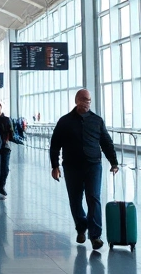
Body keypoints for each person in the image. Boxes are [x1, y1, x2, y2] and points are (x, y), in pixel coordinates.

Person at [49, 89, 119, 249]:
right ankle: (81, 228)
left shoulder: (97, 121)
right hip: (71, 166)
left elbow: (106, 143)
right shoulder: (65, 121)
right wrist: (55, 166)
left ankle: (95, 236)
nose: (87, 102)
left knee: (93, 198)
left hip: (93, 165)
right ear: (76, 101)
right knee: (75, 200)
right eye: (83, 99)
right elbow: (55, 145)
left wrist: (114, 162)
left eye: (89, 100)